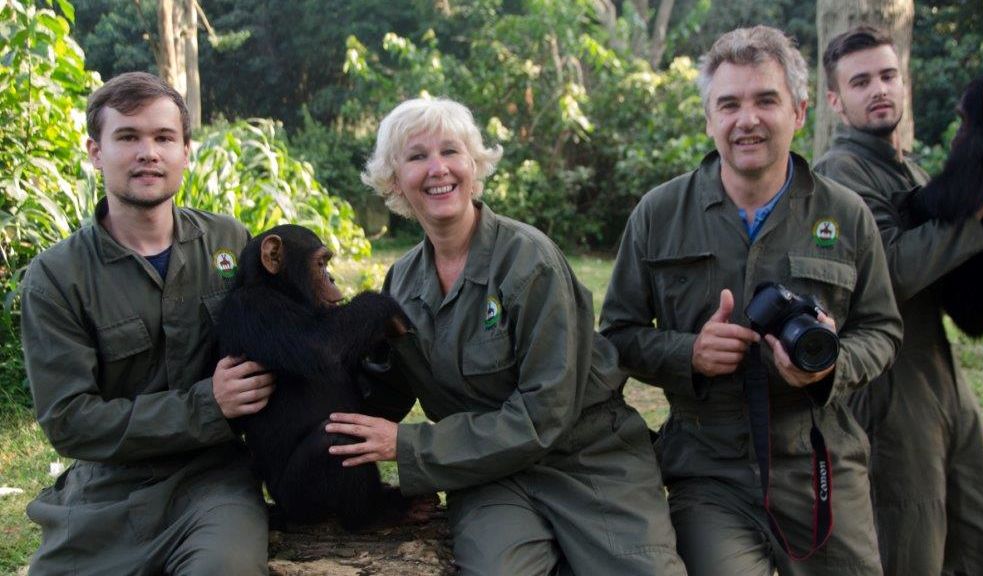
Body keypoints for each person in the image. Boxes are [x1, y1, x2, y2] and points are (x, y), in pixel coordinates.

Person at [324, 97, 686, 576]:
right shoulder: (403, 283)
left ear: (474, 166)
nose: (438, 169)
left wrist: (411, 448)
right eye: (417, 157)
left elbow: (544, 415)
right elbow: (384, 391)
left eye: (451, 152)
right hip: (486, 474)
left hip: (587, 459)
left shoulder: (529, 261)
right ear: (394, 180)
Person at [600, 26, 903, 576]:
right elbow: (616, 334)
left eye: (767, 100)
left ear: (800, 111)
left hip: (820, 460)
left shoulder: (846, 213)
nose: (748, 120)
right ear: (709, 118)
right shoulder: (659, 214)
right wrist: (688, 353)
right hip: (708, 469)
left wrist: (832, 363)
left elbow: (883, 330)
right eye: (729, 104)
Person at [20, 72, 274, 575]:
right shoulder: (57, 277)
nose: (148, 153)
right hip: (109, 490)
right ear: (96, 152)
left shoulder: (229, 241)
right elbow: (70, 421)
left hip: (214, 480)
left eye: (163, 138)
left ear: (186, 151)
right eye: (128, 137)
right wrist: (208, 403)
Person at [814, 26, 983, 576]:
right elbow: (892, 274)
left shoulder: (911, 170)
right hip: (891, 392)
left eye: (887, 76)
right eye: (860, 82)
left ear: (903, 84)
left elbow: (961, 279)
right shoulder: (839, 175)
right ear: (835, 101)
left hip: (945, 382)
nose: (878, 89)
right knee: (911, 555)